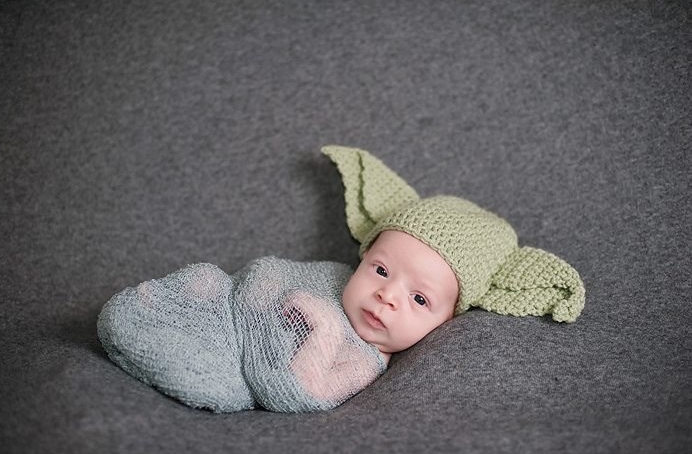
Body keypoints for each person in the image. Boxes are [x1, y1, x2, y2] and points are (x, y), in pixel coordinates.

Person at [97, 146, 585, 413]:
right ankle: (153, 313)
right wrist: (248, 290)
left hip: (239, 362)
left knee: (220, 392)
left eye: (419, 299)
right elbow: (264, 275)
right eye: (381, 270)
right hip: (225, 308)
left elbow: (296, 393)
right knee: (198, 286)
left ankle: (146, 330)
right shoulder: (336, 278)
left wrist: (322, 329)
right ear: (365, 253)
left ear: (447, 320)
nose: (386, 296)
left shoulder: (366, 360)